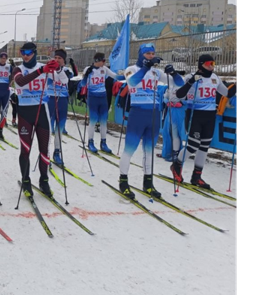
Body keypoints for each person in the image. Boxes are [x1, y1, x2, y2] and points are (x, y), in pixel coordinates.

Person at [117, 43, 184, 200]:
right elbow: (132, 83)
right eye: (147, 53)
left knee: (149, 151)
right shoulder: (131, 69)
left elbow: (179, 84)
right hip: (137, 114)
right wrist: (145, 68)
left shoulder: (155, 71)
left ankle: (148, 183)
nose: (151, 56)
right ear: (141, 54)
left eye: (153, 53)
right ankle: (123, 181)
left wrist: (173, 73)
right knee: (130, 150)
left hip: (153, 114)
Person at [172, 55, 238, 189]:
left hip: (209, 117)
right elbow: (178, 95)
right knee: (193, 145)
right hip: (194, 115)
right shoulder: (191, 76)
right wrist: (191, 81)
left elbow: (227, 93)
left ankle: (196, 176)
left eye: (213, 63)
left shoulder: (215, 78)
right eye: (209, 63)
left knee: (204, 147)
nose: (212, 65)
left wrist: (236, 86)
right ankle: (177, 165)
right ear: (201, 64)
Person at [12, 42, 60, 197]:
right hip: (25, 113)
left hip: (42, 111)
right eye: (22, 52)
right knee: (25, 149)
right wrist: (42, 70)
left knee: (44, 149)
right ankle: (26, 181)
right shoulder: (19, 69)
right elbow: (20, 82)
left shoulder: (43, 66)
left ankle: (44, 180)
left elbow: (63, 80)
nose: (25, 55)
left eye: (28, 52)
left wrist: (58, 66)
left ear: (34, 52)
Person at [79, 52, 122, 155]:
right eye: (103, 60)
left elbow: (115, 76)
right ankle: (90, 142)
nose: (104, 62)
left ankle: (103, 143)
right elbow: (83, 84)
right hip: (93, 97)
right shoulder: (88, 69)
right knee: (93, 120)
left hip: (103, 97)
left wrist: (126, 76)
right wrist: (86, 75)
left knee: (103, 121)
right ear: (97, 61)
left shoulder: (104, 69)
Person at [45, 49, 75, 165]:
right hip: (50, 99)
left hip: (62, 100)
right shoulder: (48, 69)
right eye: (55, 58)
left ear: (64, 60)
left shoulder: (67, 70)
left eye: (60, 58)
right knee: (47, 128)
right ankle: (45, 152)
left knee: (59, 128)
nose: (57, 60)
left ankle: (57, 152)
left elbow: (67, 80)